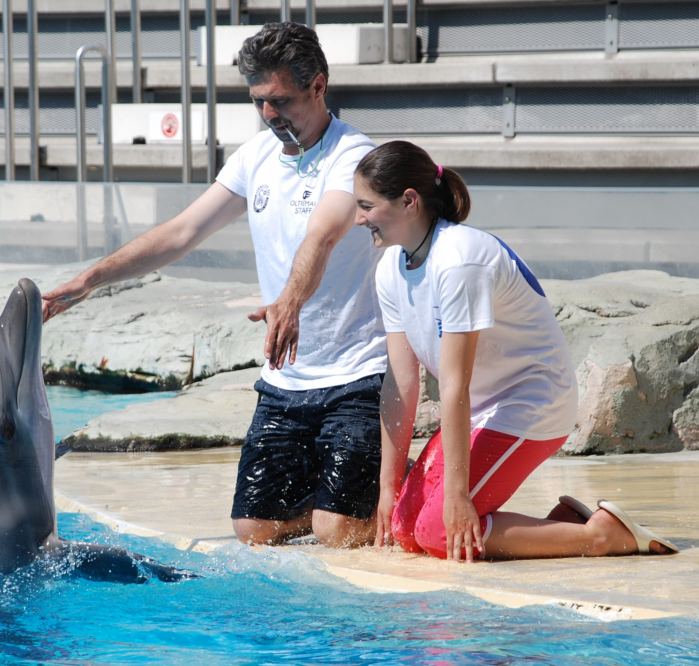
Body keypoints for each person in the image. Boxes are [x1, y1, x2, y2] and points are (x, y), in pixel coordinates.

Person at [42, 23, 387, 548]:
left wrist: (289, 302)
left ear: (318, 86)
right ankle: (329, 503)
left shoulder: (353, 156)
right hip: (288, 381)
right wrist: (89, 281)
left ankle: (377, 501)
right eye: (258, 103)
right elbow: (183, 231)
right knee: (253, 530)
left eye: (281, 101)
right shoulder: (256, 158)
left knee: (338, 533)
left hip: (358, 376)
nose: (270, 115)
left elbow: (324, 233)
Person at [353, 140, 679, 561]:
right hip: (481, 409)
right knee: (405, 530)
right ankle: (565, 521)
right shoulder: (391, 271)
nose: (359, 218)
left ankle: (602, 536)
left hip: (532, 402)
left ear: (408, 201)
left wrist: (457, 498)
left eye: (366, 205)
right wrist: (388, 487)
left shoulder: (460, 259)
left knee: (438, 533)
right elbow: (400, 387)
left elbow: (454, 386)